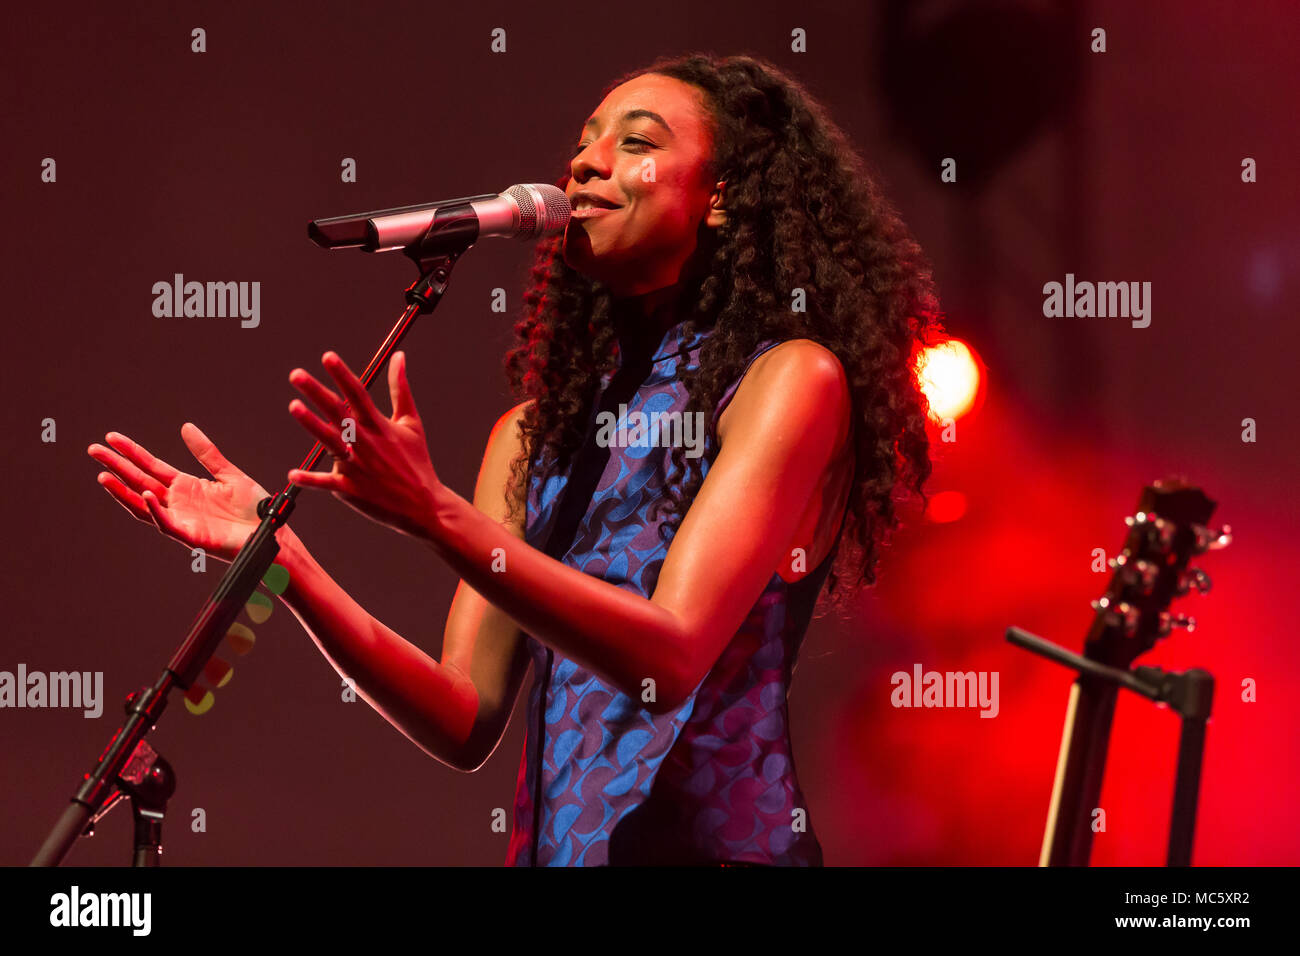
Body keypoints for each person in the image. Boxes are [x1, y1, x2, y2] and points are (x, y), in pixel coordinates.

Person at [86, 53, 942, 866]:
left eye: (635, 144)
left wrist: (434, 515)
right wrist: (281, 560)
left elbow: (671, 655)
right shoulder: (532, 434)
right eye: (582, 146)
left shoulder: (788, 379)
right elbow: (464, 718)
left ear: (720, 198)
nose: (586, 166)